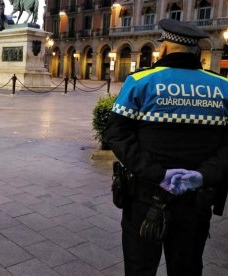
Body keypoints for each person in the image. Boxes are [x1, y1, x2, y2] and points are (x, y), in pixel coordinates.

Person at [104, 18, 228, 276]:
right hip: (197, 198)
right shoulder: (223, 86)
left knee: (140, 267)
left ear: (165, 49)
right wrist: (204, 175)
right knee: (187, 267)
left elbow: (116, 134)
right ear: (195, 50)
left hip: (146, 197)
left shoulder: (140, 81)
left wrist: (157, 174)